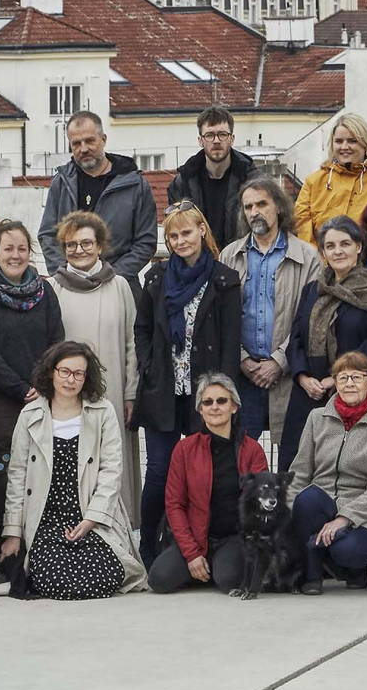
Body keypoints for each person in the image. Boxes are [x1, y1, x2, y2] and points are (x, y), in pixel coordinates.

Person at [134, 202, 243, 562]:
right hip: (164, 388)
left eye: (186, 232)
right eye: (173, 235)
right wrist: (149, 364)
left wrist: (223, 392)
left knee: (206, 474)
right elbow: (143, 329)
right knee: (159, 470)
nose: (180, 241)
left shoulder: (224, 279)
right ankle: (148, 544)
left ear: (202, 231)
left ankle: (206, 546)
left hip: (205, 393)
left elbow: (230, 339)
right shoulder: (156, 278)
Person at [0, 342, 147, 598]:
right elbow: (18, 475)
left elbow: (112, 471)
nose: (71, 379)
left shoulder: (103, 411)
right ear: (51, 372)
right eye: (65, 372)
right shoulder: (30, 415)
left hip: (92, 519)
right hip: (46, 521)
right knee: (56, 581)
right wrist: (12, 532)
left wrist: (91, 519)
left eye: (79, 373)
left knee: (105, 574)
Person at [0, 220, 66, 581]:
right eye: (8, 248)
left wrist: (42, 387)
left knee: (41, 475)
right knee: (6, 475)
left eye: (22, 248)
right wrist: (21, 387)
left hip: (39, 398)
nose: (16, 255)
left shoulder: (45, 293)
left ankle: (35, 549)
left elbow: (57, 343)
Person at [280, 217, 367, 472]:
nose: (338, 251)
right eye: (330, 245)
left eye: (345, 243)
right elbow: (296, 339)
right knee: (296, 469)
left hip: (354, 393)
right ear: (323, 252)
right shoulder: (314, 290)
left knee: (346, 473)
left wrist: (336, 378)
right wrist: (302, 377)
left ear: (358, 247)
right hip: (310, 393)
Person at [48, 211, 142, 521]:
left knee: (112, 460)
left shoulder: (120, 287)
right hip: (68, 395)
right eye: (71, 245)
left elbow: (131, 343)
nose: (79, 250)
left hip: (114, 390)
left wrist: (131, 393)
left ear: (100, 246)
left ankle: (121, 526)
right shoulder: (54, 288)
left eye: (86, 243)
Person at [287, 351, 367, 594]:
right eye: (342, 377)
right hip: (320, 504)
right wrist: (289, 513)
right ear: (335, 383)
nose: (349, 383)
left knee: (349, 551)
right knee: (307, 498)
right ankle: (312, 574)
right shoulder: (316, 418)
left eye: (357, 377)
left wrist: (344, 519)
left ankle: (350, 567)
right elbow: (299, 472)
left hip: (365, 514)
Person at [220, 176, 323, 446]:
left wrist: (280, 361)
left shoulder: (308, 257)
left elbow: (312, 318)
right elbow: (220, 316)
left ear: (278, 206)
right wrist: (241, 358)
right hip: (244, 376)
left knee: (293, 465)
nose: (254, 212)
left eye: (262, 204)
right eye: (248, 206)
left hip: (291, 377)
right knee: (241, 463)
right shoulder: (229, 256)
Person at [149, 372, 271, 594]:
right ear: (200, 409)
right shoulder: (184, 449)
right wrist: (192, 554)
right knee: (159, 579)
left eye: (221, 401)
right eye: (208, 402)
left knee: (228, 580)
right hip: (195, 537)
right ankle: (203, 567)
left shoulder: (252, 450)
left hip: (234, 537)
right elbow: (174, 505)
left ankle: (218, 568)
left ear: (234, 406)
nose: (214, 407)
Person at [39, 111, 158, 278]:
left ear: (103, 139)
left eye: (89, 141)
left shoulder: (135, 185)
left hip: (119, 284)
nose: (84, 149)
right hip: (70, 286)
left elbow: (145, 242)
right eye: (76, 144)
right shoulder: (61, 183)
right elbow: (48, 235)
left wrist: (110, 276)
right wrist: (67, 275)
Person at [293, 113, 367, 244]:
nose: (344, 147)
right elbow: (302, 231)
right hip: (321, 262)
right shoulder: (313, 182)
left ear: (365, 144)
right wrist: (322, 260)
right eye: (339, 141)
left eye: (352, 141)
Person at [167, 105, 260, 252]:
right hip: (198, 266)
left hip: (242, 263)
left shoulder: (252, 181)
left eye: (222, 134)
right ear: (200, 140)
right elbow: (176, 231)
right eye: (209, 135)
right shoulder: (182, 183)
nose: (216, 141)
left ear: (232, 138)